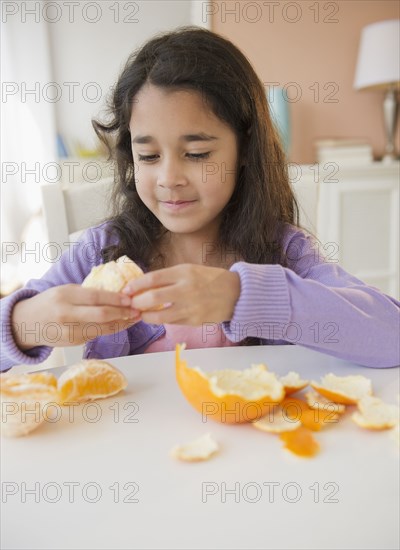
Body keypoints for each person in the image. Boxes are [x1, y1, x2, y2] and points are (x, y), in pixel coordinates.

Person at [1, 27, 399, 372]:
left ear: (244, 152)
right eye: (149, 156)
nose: (169, 178)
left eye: (197, 154)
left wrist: (242, 297)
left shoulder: (284, 251)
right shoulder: (99, 253)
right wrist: (25, 323)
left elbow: (390, 334)